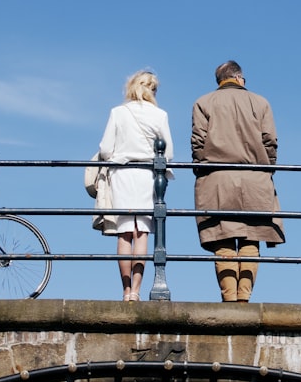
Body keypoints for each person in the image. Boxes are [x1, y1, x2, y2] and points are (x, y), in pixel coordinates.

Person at [191, 60, 285, 302]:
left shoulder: (203, 102)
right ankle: (244, 299)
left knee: (222, 239)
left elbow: (198, 144)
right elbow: (270, 142)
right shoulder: (261, 102)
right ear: (240, 78)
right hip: (256, 180)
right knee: (251, 237)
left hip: (217, 180)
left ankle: (229, 300)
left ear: (220, 81)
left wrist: (205, 169)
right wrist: (266, 169)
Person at [98, 70, 174, 301]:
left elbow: (105, 149)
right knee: (142, 233)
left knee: (124, 234)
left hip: (122, 174)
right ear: (153, 90)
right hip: (146, 176)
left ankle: (126, 290)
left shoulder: (118, 113)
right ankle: (138, 291)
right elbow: (168, 153)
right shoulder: (160, 115)